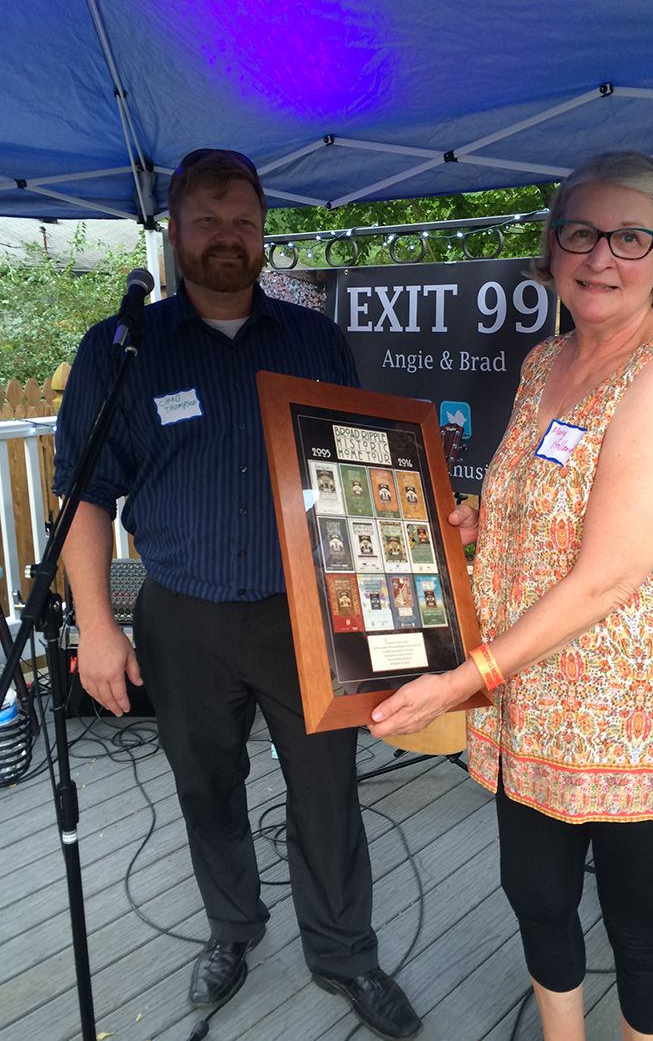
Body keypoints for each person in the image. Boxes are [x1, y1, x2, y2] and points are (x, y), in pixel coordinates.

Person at [53, 148, 422, 1041]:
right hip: (181, 612)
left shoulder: (315, 339)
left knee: (327, 788)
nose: (228, 238)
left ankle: (345, 952)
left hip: (307, 610)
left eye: (244, 223)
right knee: (206, 785)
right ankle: (232, 927)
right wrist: (96, 628)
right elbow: (86, 497)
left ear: (264, 235)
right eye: (208, 221)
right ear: (174, 232)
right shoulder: (118, 347)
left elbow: (358, 472)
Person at [369, 151, 653, 1041]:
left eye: (630, 235)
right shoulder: (545, 362)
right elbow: (540, 496)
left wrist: (463, 680)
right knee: (535, 898)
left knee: (642, 934)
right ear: (553, 247)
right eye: (580, 231)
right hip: (535, 696)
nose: (600, 255)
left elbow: (610, 569)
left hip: (636, 711)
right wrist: (476, 518)